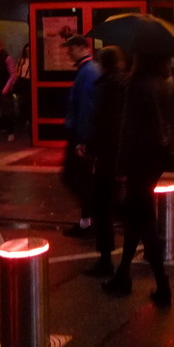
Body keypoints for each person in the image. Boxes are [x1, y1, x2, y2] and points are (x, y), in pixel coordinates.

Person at [103, 49, 174, 307]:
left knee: (145, 220)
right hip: (159, 153)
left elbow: (128, 128)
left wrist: (121, 168)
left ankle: (162, 284)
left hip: (139, 157)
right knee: (138, 215)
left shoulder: (137, 84)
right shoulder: (167, 79)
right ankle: (123, 274)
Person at [82, 45, 128, 278]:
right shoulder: (126, 84)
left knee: (102, 207)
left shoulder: (106, 87)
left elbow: (102, 123)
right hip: (123, 155)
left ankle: (106, 260)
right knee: (115, 204)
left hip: (108, 155)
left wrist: (91, 148)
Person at [62, 35, 99, 237]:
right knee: (81, 179)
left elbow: (86, 106)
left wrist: (82, 139)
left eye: (71, 48)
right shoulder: (87, 70)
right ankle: (88, 220)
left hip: (80, 136)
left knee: (75, 177)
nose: (68, 52)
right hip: (81, 133)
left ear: (82, 47)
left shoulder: (87, 72)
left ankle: (90, 219)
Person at [13, 43, 32, 134]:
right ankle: (24, 120)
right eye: (26, 50)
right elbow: (17, 72)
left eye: (29, 50)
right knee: (21, 102)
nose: (28, 52)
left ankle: (29, 120)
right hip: (22, 81)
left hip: (30, 82)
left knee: (29, 102)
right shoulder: (21, 60)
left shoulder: (34, 60)